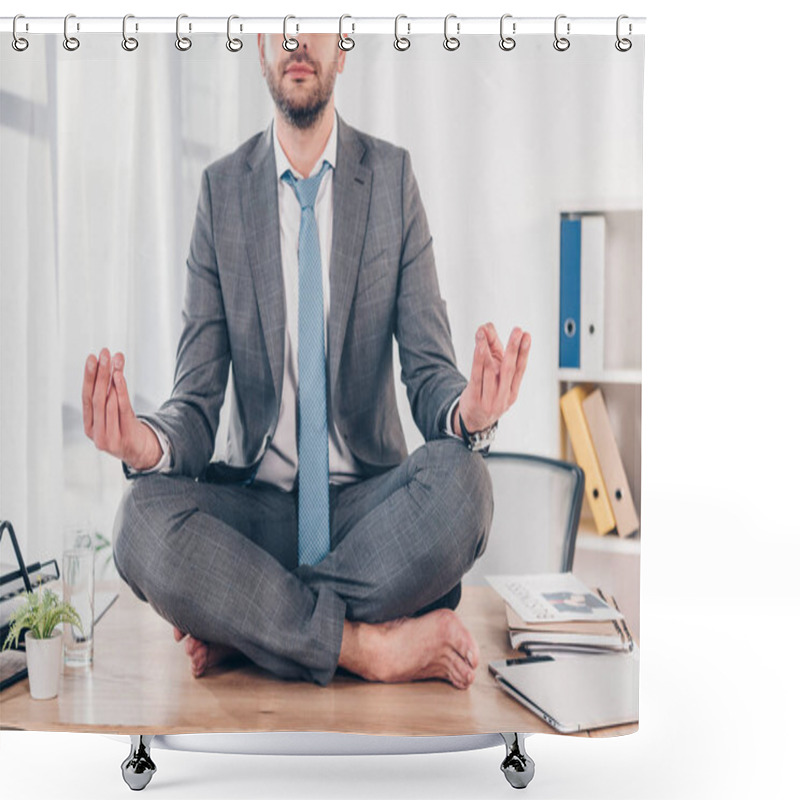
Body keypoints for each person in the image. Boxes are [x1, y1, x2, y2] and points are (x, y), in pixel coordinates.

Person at [83, 33, 531, 690]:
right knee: (139, 523)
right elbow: (196, 400)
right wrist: (143, 442)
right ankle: (365, 647)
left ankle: (249, 624)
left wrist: (471, 411)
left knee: (466, 487)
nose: (297, 37)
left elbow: (430, 374)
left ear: (344, 45)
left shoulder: (391, 179)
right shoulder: (222, 192)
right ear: (260, 45)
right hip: (258, 508)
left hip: (366, 510)